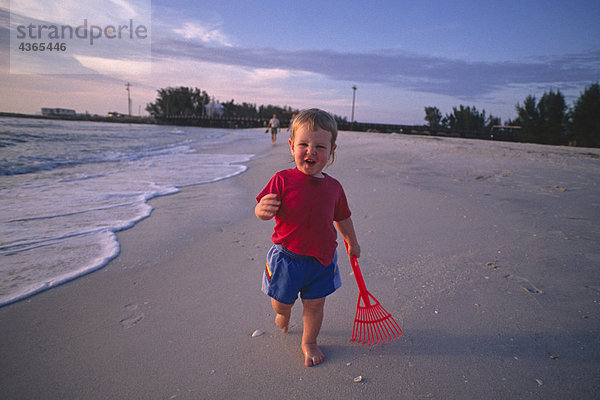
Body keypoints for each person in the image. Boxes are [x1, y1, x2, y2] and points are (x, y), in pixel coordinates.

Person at [255, 108, 360, 367]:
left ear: (331, 151)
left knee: (315, 306)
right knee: (280, 304)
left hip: (321, 261)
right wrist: (261, 211)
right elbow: (262, 209)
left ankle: (309, 341)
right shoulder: (282, 180)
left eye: (319, 146)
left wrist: (352, 241)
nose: (311, 151)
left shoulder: (334, 188)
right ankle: (284, 313)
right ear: (292, 146)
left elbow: (343, 217)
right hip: (286, 259)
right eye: (304, 144)